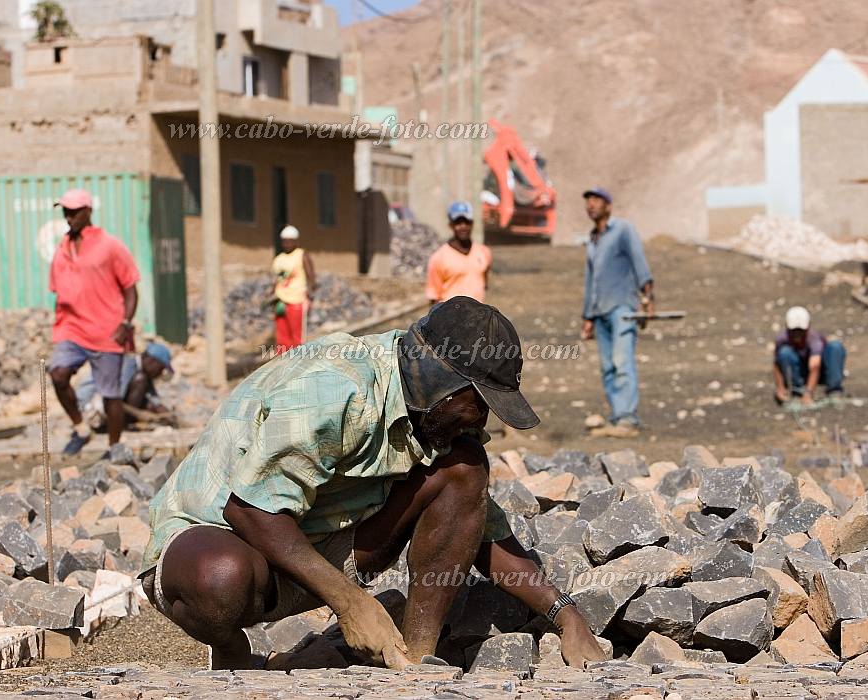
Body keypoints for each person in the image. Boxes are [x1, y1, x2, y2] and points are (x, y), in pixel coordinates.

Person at [140, 297, 608, 671]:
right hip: (221, 545)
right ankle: (231, 651)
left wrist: (565, 615)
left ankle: (416, 663)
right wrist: (351, 605)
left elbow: (486, 529)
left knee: (465, 467)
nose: (483, 418)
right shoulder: (334, 388)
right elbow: (249, 511)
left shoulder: (432, 419)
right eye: (478, 401)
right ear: (438, 380)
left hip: (307, 554)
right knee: (219, 577)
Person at [47, 188, 140, 459]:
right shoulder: (61, 249)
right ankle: (81, 428)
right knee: (58, 374)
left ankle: (114, 448)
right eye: (65, 211)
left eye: (74, 211)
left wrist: (125, 322)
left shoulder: (110, 246)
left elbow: (131, 287)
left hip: (107, 331)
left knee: (110, 394)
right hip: (71, 329)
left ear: (88, 211)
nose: (69, 217)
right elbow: (59, 289)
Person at [579, 187, 653, 439]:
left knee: (623, 362)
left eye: (596, 200)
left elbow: (639, 263)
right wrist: (587, 317)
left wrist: (648, 297)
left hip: (622, 307)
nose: (591, 205)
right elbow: (591, 280)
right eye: (588, 201)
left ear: (608, 205)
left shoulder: (623, 230)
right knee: (607, 366)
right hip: (600, 312)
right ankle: (617, 413)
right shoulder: (592, 239)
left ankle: (627, 417)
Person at [774, 306, 847, 405]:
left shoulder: (814, 339)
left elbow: (815, 366)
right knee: (784, 352)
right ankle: (797, 390)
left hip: (821, 372)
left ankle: (834, 390)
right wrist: (780, 387)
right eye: (794, 331)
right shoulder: (782, 339)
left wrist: (808, 394)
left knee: (835, 346)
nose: (797, 335)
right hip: (801, 372)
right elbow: (776, 364)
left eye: (800, 331)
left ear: (808, 326)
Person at [425, 201, 493, 304]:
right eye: (458, 223)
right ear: (451, 225)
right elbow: (434, 296)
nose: (463, 227)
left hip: (477, 317)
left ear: (472, 223)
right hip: (450, 318)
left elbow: (485, 282)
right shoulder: (439, 258)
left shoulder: (484, 252)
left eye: (467, 222)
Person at [271, 225, 316, 354]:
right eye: (284, 240)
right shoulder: (279, 259)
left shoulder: (301, 255)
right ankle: (284, 367)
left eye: (289, 240)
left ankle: (298, 366)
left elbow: (311, 275)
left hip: (297, 300)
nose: (286, 243)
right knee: (282, 339)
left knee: (297, 338)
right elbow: (277, 279)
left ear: (295, 241)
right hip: (281, 301)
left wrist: (310, 294)